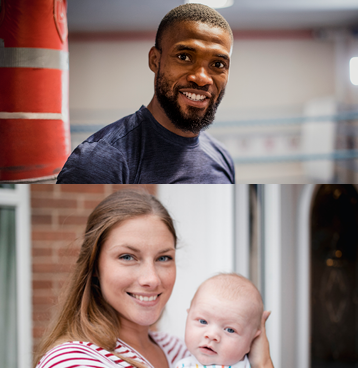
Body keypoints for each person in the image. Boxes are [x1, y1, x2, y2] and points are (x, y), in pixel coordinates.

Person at [35, 189, 273, 368]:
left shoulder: (184, 351)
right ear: (95, 265)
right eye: (128, 257)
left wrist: (260, 362)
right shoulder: (73, 360)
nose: (151, 279)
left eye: (163, 258)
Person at [57, 3, 235, 184]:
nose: (201, 78)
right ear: (155, 60)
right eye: (184, 57)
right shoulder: (99, 161)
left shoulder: (222, 157)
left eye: (218, 64)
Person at [175, 274, 264, 368]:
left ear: (252, 339)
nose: (212, 335)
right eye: (202, 321)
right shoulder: (184, 364)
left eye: (230, 330)